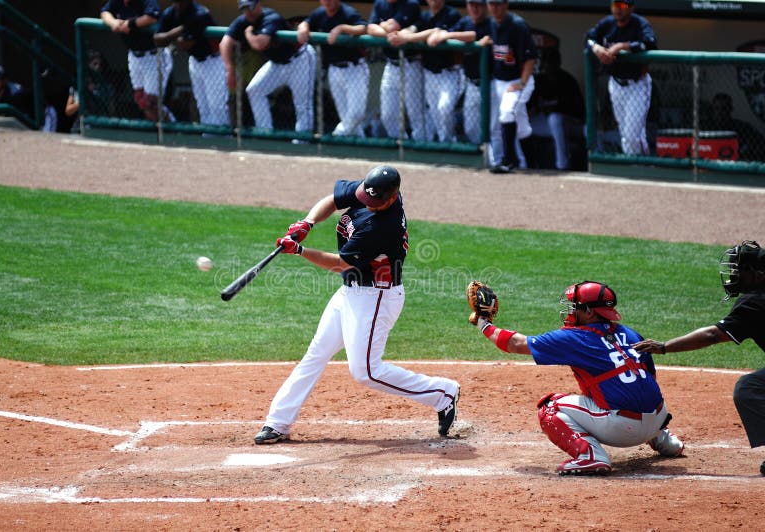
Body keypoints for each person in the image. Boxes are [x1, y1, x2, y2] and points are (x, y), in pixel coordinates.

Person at [253, 165, 461, 445]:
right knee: (316, 353)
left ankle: (442, 393)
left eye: (374, 202)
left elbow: (339, 264)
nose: (367, 204)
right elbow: (332, 200)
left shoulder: (382, 227)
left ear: (391, 198)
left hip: (376, 297)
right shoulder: (371, 190)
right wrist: (307, 223)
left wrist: (300, 250)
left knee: (366, 372)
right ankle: (277, 422)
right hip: (350, 292)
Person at [471, 280, 684, 475]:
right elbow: (650, 376)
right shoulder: (630, 334)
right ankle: (664, 440)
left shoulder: (575, 337)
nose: (571, 311)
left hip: (623, 429)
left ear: (589, 312)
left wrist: (483, 323)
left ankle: (590, 455)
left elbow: (516, 344)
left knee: (550, 407)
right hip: (658, 418)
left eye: (576, 306)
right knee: (630, 382)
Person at [633, 240, 765, 476]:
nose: (732, 276)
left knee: (750, 388)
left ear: (757, 274)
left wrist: (664, 347)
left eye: (739, 270)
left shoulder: (755, 302)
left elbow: (714, 334)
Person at [221, 0, 316, 137]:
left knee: (302, 104)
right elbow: (224, 43)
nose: (248, 12)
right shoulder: (242, 20)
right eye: (244, 8)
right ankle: (265, 131)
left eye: (250, 7)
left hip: (300, 59)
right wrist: (229, 69)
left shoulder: (271, 17)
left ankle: (303, 139)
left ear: (258, 5)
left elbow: (260, 44)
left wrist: (248, 34)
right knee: (255, 91)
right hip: (276, 63)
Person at [585, 0, 657, 156]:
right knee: (626, 134)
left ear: (631, 8)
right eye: (614, 5)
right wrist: (596, 47)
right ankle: (642, 165)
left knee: (631, 135)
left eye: (622, 5)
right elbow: (588, 38)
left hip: (637, 84)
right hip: (616, 84)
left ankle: (637, 166)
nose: (617, 9)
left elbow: (650, 43)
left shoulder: (640, 24)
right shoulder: (607, 23)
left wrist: (622, 46)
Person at [387, 0, 462, 143]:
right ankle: (443, 142)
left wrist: (406, 37)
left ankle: (449, 142)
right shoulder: (425, 16)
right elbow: (414, 28)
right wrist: (400, 34)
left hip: (449, 72)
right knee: (435, 113)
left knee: (444, 109)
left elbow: (435, 34)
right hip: (429, 73)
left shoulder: (452, 14)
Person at [296, 0, 368, 138]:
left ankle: (336, 135)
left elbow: (363, 28)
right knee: (346, 115)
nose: (327, 2)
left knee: (356, 113)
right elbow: (306, 22)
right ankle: (358, 146)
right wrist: (303, 28)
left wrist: (342, 28)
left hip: (355, 68)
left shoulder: (348, 12)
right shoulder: (319, 13)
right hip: (334, 70)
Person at [427, 0, 493, 146]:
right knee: (470, 128)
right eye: (471, 4)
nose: (475, 8)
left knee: (495, 127)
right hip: (471, 82)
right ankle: (483, 156)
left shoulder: (491, 24)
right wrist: (442, 34)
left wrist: (448, 36)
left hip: (491, 84)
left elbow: (473, 35)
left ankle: (508, 160)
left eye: (479, 5)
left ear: (485, 7)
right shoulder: (465, 22)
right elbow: (448, 32)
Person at [154, 0, 228, 126]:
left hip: (213, 61)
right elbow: (157, 40)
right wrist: (182, 29)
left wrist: (170, 36)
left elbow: (185, 44)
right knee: (202, 104)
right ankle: (209, 136)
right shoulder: (170, 13)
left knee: (216, 105)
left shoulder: (200, 13)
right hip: (195, 61)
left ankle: (224, 138)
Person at [485, 0, 538, 173]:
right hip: (500, 81)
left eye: (498, 4)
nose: (495, 7)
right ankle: (534, 163)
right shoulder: (490, 24)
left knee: (507, 112)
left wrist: (522, 83)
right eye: (491, 3)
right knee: (522, 127)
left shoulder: (517, 25)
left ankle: (509, 161)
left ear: (506, 4)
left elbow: (530, 57)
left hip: (519, 80)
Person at [101, 0, 174, 122]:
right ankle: (161, 129)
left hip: (153, 54)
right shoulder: (117, 2)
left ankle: (171, 127)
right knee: (140, 99)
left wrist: (130, 24)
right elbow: (104, 12)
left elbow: (153, 16)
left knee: (150, 102)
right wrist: (114, 23)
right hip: (134, 55)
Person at [367, 0, 424, 140]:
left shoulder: (410, 4)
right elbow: (370, 29)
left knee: (415, 111)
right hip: (391, 65)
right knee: (387, 113)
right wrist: (388, 34)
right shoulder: (380, 4)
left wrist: (381, 25)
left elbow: (394, 25)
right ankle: (400, 141)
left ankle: (421, 144)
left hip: (410, 64)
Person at [527, 47, 586, 170]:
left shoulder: (567, 80)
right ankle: (522, 164)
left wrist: (555, 108)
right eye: (546, 61)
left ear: (558, 62)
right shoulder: (538, 81)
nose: (548, 64)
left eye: (552, 61)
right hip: (546, 124)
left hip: (568, 124)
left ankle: (562, 164)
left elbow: (579, 111)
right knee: (518, 124)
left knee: (555, 119)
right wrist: (538, 110)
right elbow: (530, 108)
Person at [704, 93, 765, 162]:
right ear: (713, 109)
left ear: (730, 109)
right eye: (717, 108)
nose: (720, 112)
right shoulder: (705, 126)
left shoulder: (741, 127)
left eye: (724, 108)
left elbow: (759, 141)